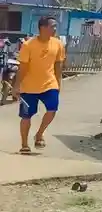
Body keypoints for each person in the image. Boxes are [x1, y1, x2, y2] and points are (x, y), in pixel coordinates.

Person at [15, 17, 65, 154]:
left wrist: (58, 82)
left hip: (49, 84)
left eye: (55, 27)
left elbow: (58, 64)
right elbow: (22, 67)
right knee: (26, 116)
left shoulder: (58, 44)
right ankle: (24, 144)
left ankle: (39, 134)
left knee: (52, 109)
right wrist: (17, 86)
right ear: (43, 28)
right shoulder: (28, 45)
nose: (55, 29)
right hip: (29, 87)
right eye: (52, 26)